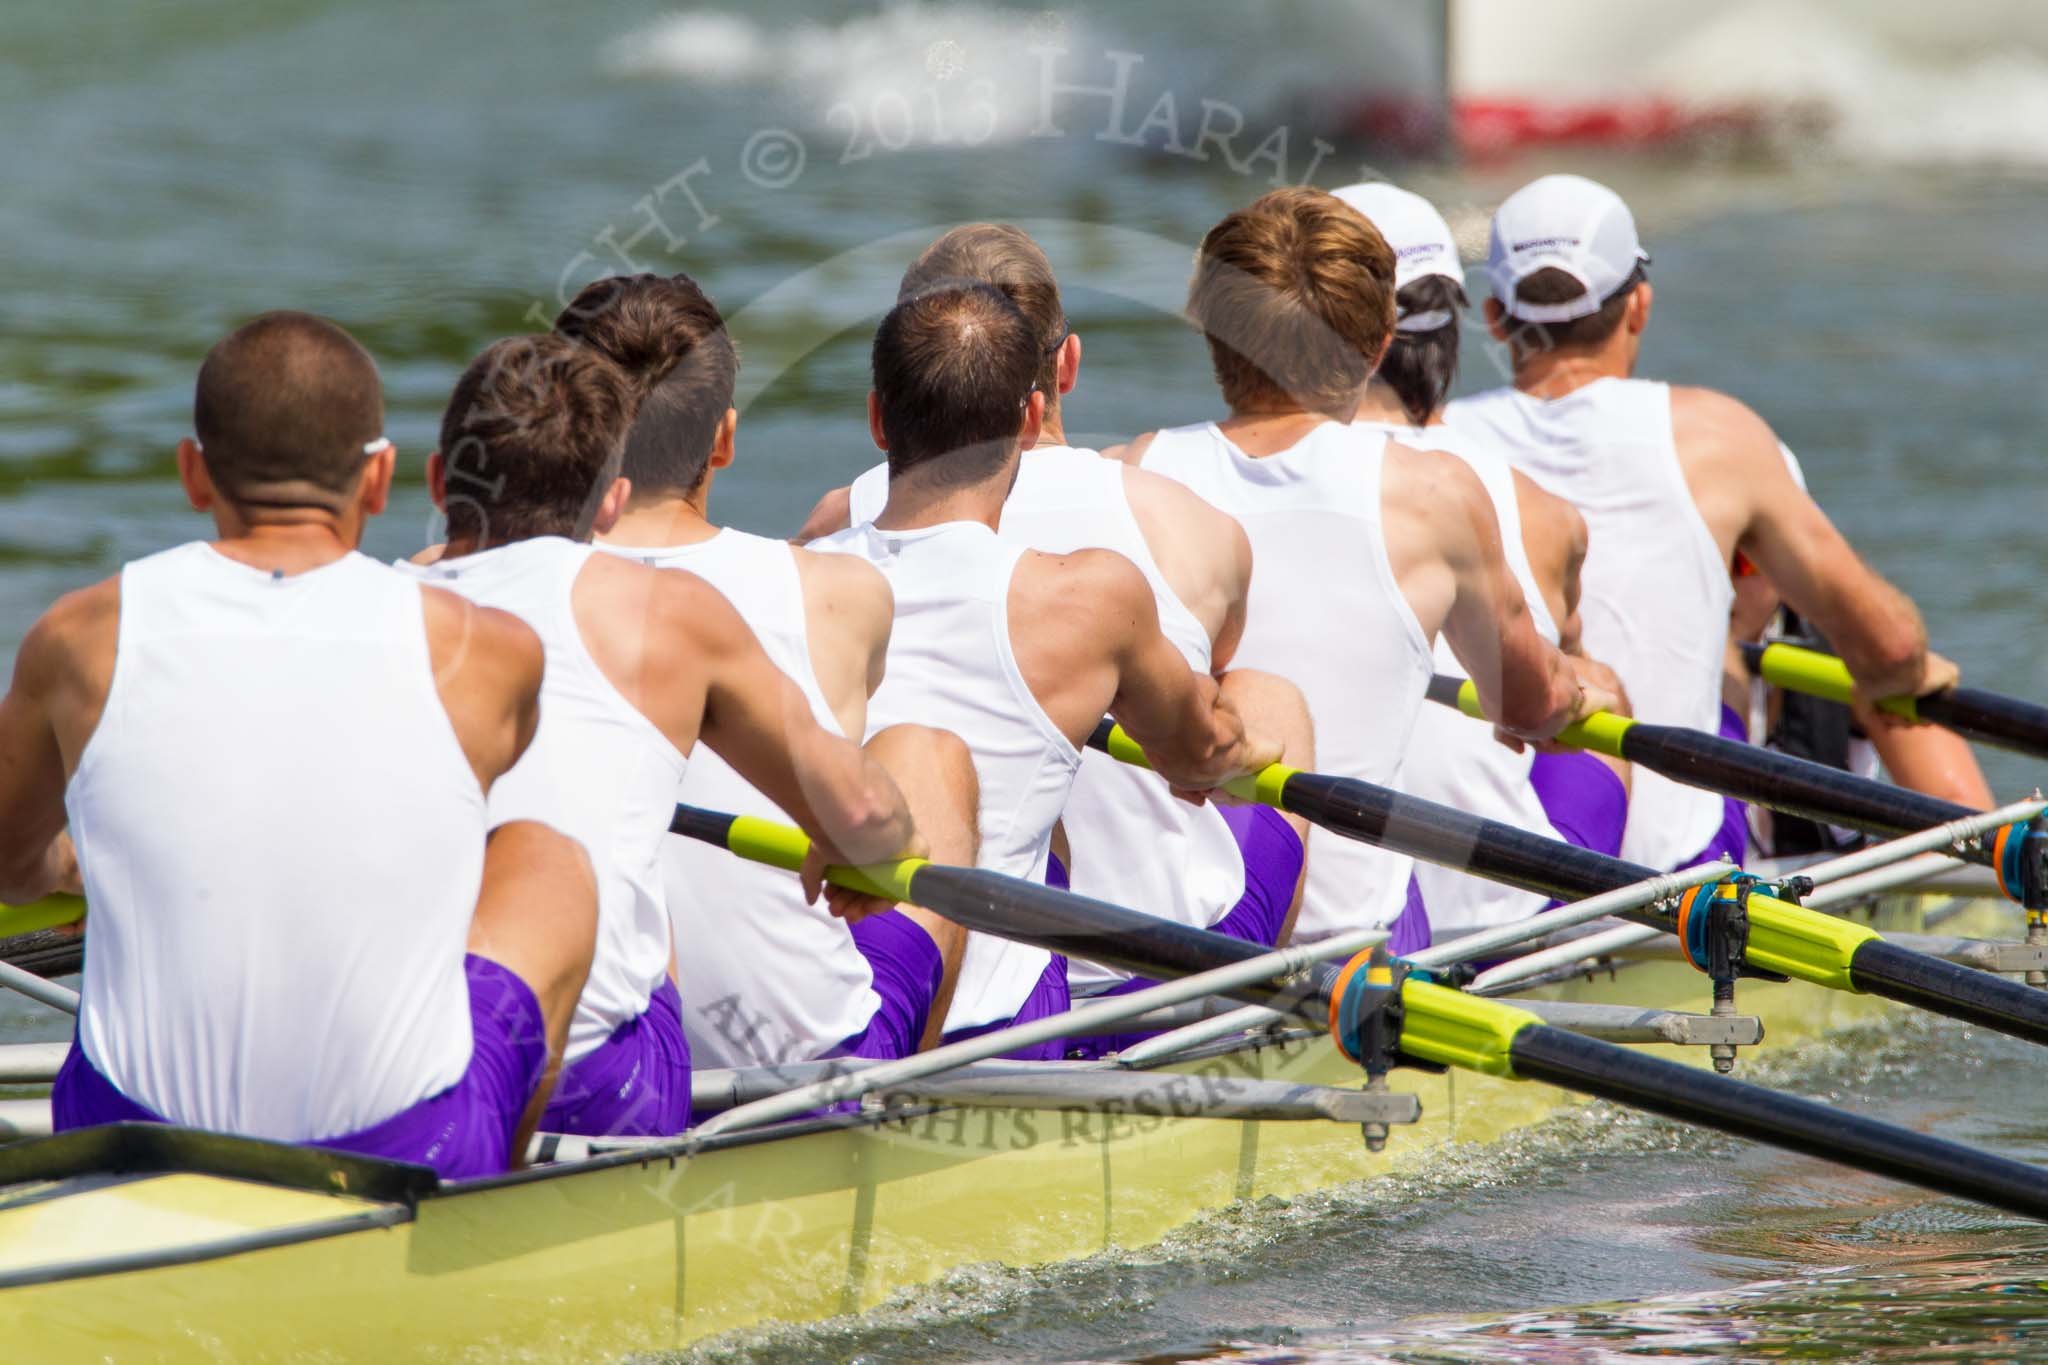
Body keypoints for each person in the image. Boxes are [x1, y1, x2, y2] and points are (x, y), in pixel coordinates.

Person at [0, 312, 597, 1178]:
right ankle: (484, 1190)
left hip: (126, 1136)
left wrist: (68, 867)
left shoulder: (79, 635)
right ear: (381, 476)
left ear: (193, 472)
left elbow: (8, 863)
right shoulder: (491, 652)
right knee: (548, 860)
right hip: (394, 1148)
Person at [402, 332, 925, 1133]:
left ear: (439, 480)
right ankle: (890, 1138)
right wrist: (858, 845)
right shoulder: (664, 608)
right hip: (604, 1086)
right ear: (609, 501)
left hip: (386, 1053)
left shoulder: (374, 599)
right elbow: (865, 819)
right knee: (937, 765)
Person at [798, 225, 1315, 1017]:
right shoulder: (1181, 523)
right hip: (1152, 969)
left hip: (923, 935)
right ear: (1057, 374)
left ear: (887, 401)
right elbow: (1199, 756)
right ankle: (1256, 1005)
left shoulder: (829, 528)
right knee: (1270, 697)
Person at [1112, 187, 1613, 951]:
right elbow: (1524, 702)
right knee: (1601, 694)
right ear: (1380, 344)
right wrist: (1577, 685)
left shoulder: (1131, 471)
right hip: (1351, 951)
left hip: (1172, 936)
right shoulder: (1434, 493)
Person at [1447, 173, 1960, 872]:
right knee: (1749, 638)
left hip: (1494, 871)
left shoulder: (1431, 448)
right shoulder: (1717, 437)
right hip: (1675, 875)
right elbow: (1892, 646)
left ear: (1498, 317)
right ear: (1639, 307)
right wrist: (1902, 666)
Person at [553, 272, 980, 1066]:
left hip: (592, 1048)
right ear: (724, 438)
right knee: (927, 754)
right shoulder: (837, 592)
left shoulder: (469, 588)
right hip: (799, 1055)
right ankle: (902, 1098)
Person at [1333, 181, 1633, 942]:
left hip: (1314, 902)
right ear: (1461, 328)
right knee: (1598, 686)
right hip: (1485, 915)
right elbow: (1541, 708)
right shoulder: (1533, 507)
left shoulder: (1202, 483)